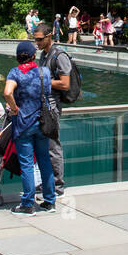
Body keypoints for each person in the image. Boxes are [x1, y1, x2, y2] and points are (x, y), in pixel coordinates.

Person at [4, 40, 56, 214]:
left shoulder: (15, 73)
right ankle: (49, 201)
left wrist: (14, 107)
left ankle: (27, 204)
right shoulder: (45, 72)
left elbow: (7, 92)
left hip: (23, 124)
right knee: (44, 160)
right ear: (34, 56)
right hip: (43, 123)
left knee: (26, 163)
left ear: (18, 57)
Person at [35, 22, 73, 196]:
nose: (37, 43)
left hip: (53, 108)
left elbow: (65, 84)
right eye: (35, 40)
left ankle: (57, 186)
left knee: (53, 146)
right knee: (44, 146)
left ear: (49, 36)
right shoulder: (43, 55)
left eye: (40, 39)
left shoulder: (59, 56)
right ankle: (48, 182)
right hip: (43, 106)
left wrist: (43, 82)